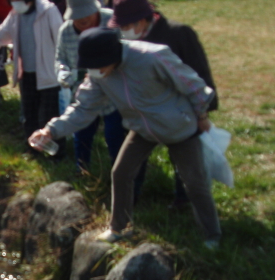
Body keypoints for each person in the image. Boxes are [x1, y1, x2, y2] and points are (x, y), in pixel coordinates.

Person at [29, 27, 222, 249]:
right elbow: (83, 108)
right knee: (121, 173)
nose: (97, 71)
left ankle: (212, 235)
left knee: (195, 182)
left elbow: (192, 84)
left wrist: (201, 114)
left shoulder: (152, 57)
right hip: (142, 128)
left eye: (100, 65)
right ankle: (119, 228)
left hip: (178, 126)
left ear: (114, 55)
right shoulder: (98, 74)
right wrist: (51, 130)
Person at [108, 0, 219, 210]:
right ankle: (132, 200)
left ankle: (183, 200)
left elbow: (199, 72)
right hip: (142, 113)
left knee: (186, 162)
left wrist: (202, 112)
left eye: (125, 26)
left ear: (141, 21)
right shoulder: (124, 40)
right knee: (131, 162)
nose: (122, 32)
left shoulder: (178, 33)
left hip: (180, 112)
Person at [0, 0, 64, 156]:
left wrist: (65, 68)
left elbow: (61, 39)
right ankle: (33, 151)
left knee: (48, 115)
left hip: (48, 73)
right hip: (26, 73)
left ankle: (56, 154)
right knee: (29, 114)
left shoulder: (48, 11)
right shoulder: (15, 15)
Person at [56, 0, 127, 171]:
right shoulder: (65, 31)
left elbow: (128, 51)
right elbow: (60, 58)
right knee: (81, 135)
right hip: (83, 94)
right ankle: (83, 174)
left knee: (114, 135)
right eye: (76, 16)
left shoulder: (112, 21)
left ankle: (119, 176)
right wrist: (62, 73)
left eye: (85, 14)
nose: (81, 19)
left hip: (114, 94)